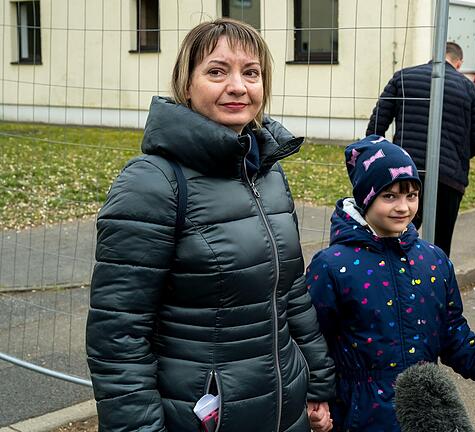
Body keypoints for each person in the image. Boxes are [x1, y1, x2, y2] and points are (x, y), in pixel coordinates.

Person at [85, 19, 335, 432]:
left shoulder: (267, 174)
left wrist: (317, 383)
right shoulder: (152, 183)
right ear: (187, 85)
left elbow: (290, 289)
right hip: (206, 415)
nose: (237, 86)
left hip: (284, 407)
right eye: (217, 71)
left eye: (250, 72)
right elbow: (118, 334)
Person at [306, 135, 475, 432]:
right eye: (389, 196)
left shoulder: (433, 261)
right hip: (358, 414)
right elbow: (312, 341)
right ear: (366, 197)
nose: (403, 207)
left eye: (411, 195)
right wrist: (317, 397)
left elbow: (453, 334)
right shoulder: (332, 265)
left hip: (426, 414)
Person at [366, 42, 475, 257]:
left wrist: (385, 159)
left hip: (404, 172)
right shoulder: (471, 90)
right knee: (440, 245)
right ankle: (436, 285)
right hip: (449, 177)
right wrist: (457, 157)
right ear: (458, 62)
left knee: (393, 235)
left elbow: (376, 126)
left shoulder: (403, 77)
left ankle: (385, 281)